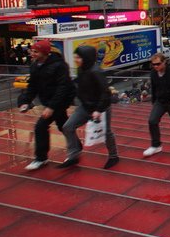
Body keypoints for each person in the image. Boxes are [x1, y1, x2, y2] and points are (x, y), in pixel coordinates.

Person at [17, 40, 76, 171]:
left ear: (44, 52)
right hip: (50, 101)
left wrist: (51, 107)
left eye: (35, 51)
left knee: (40, 127)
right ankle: (76, 146)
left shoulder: (59, 66)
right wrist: (24, 101)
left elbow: (63, 88)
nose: (32, 53)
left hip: (61, 101)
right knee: (63, 126)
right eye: (32, 51)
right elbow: (32, 86)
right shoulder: (35, 66)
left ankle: (41, 158)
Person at [59, 45, 119, 169]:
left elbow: (105, 93)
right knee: (67, 127)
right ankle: (73, 155)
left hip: (101, 108)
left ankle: (113, 156)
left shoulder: (96, 71)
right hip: (85, 106)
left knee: (106, 132)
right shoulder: (81, 70)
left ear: (86, 58)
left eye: (78, 57)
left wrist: (98, 109)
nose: (76, 60)